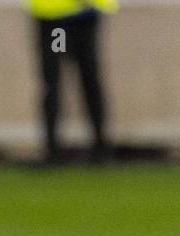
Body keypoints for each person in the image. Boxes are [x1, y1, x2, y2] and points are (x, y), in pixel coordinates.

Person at [30, 0, 115, 164]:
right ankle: (53, 150)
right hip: (57, 23)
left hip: (84, 17)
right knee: (55, 80)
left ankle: (100, 148)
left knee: (88, 79)